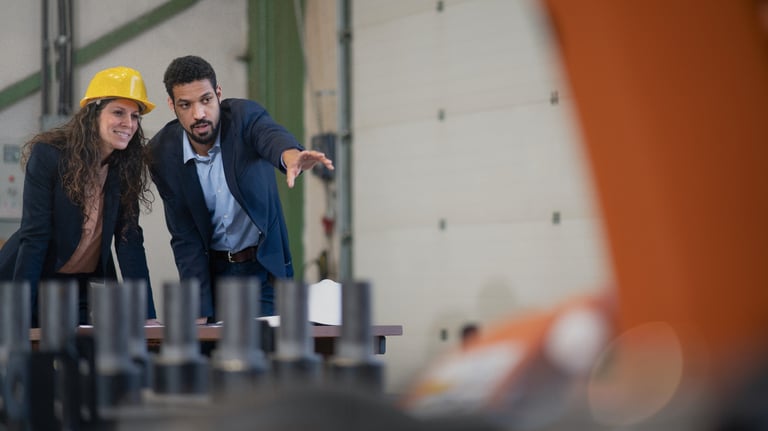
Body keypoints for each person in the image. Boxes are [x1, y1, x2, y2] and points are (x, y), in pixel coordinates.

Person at [149, 55, 334, 322]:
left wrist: (290, 156)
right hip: (212, 274)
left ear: (218, 94)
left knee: (264, 346)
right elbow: (184, 236)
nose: (198, 114)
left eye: (206, 100)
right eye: (185, 105)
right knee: (213, 346)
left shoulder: (243, 117)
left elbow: (268, 135)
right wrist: (198, 311)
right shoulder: (162, 153)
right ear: (172, 105)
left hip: (262, 268)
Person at [0, 66, 158, 328]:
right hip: (32, 280)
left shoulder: (124, 167)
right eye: (118, 112)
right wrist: (19, 313)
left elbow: (129, 241)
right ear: (93, 113)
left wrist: (147, 315)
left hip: (83, 285)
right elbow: (35, 237)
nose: (129, 124)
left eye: (135, 116)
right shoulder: (49, 155)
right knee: (33, 352)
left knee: (93, 351)